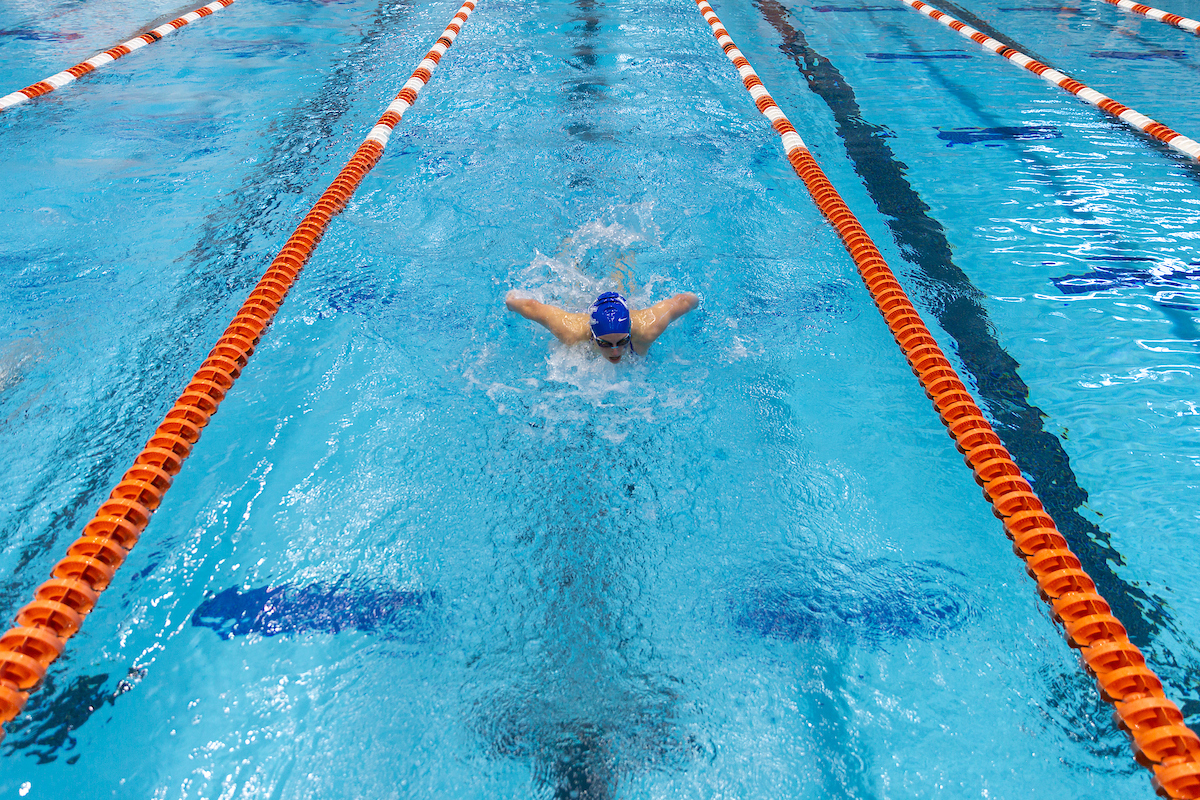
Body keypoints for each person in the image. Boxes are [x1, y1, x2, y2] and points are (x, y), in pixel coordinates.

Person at [505, 289, 698, 363]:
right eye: (605, 344)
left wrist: (696, 303)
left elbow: (683, 302)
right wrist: (511, 302)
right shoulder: (572, 331)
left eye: (623, 341)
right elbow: (533, 308)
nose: (615, 351)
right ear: (593, 335)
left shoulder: (648, 327)